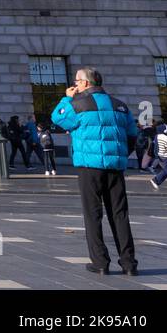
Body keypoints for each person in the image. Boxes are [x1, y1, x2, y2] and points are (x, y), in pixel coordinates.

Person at [52, 66, 139, 275]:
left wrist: (66, 99)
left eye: (76, 82)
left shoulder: (77, 105)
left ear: (85, 83)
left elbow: (57, 117)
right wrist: (118, 156)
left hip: (89, 168)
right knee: (119, 214)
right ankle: (128, 264)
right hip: (115, 167)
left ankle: (100, 262)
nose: (74, 85)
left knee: (93, 214)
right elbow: (132, 135)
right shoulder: (120, 106)